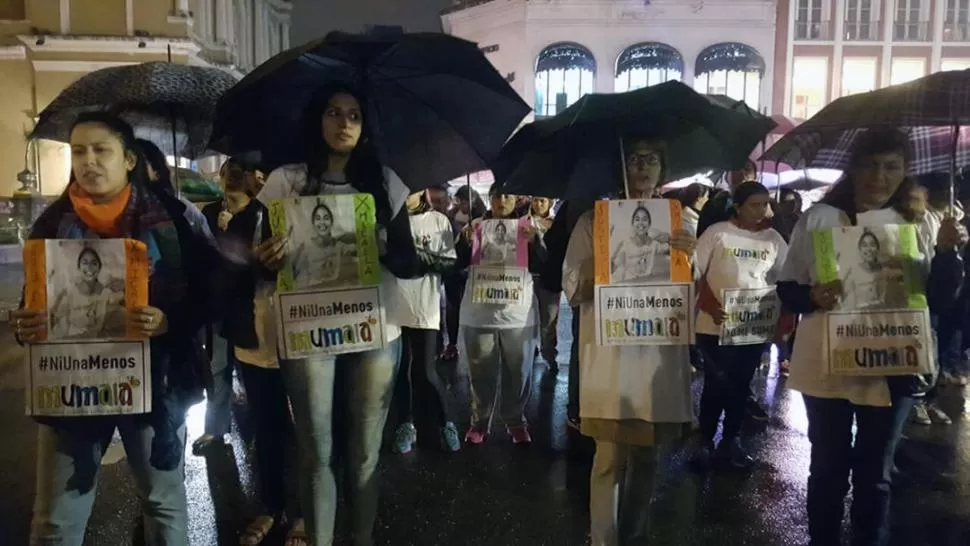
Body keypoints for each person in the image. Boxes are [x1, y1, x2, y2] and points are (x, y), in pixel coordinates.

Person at [13, 111, 218, 545]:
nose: (88, 161)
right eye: (79, 151)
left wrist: (166, 321)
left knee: (163, 504)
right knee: (55, 520)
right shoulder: (51, 224)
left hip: (156, 385)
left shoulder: (174, 219)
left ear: (128, 160)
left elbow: (208, 298)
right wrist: (26, 325)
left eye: (100, 150)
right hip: (71, 386)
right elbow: (29, 304)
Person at [253, 84, 430, 546]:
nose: (344, 123)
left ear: (366, 125)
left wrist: (387, 246)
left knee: (365, 454)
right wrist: (263, 257)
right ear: (318, 119)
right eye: (334, 112)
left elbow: (409, 263)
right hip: (307, 328)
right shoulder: (285, 182)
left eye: (354, 114)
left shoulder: (386, 182)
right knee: (316, 451)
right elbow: (247, 253)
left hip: (375, 329)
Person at [776, 128, 966, 546]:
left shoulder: (919, 223)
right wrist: (811, 295)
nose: (879, 176)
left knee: (875, 475)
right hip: (825, 364)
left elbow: (939, 300)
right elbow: (787, 286)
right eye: (870, 165)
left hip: (892, 365)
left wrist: (950, 252)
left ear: (904, 172)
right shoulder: (819, 218)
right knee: (826, 468)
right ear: (854, 168)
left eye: (891, 167)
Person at [563, 137, 697, 545]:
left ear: (663, 169)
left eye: (651, 160)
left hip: (657, 356)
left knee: (647, 457)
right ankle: (602, 537)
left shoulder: (681, 223)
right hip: (610, 355)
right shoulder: (593, 221)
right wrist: (600, 263)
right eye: (634, 159)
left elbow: (693, 292)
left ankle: (633, 534)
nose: (642, 167)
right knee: (608, 457)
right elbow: (572, 285)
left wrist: (690, 257)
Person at [692, 181, 788, 469]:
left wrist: (778, 316)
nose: (763, 211)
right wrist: (708, 302)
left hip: (751, 328)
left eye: (765, 204)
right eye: (755, 205)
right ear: (738, 206)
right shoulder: (717, 233)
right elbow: (695, 269)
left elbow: (785, 277)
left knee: (740, 386)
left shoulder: (773, 239)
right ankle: (705, 440)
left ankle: (730, 441)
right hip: (713, 325)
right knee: (716, 383)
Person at [457, 185, 542, 445]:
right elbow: (456, 264)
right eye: (497, 195)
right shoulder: (476, 226)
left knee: (518, 373)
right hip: (478, 314)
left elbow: (544, 266)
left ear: (517, 198)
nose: (502, 200)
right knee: (480, 372)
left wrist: (535, 242)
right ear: (489, 199)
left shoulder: (528, 227)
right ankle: (479, 421)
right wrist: (464, 242)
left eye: (507, 195)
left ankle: (515, 420)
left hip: (517, 315)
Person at [391, 188, 460, 454]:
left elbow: (449, 262)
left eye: (414, 187)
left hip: (424, 305)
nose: (407, 192)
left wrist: (416, 257)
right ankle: (405, 424)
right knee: (400, 372)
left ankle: (447, 422)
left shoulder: (439, 221)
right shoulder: (389, 220)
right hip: (392, 305)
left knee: (425, 372)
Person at [49, 245, 126, 339]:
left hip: (91, 344)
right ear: (79, 267)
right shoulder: (69, 291)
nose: (89, 267)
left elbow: (97, 327)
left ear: (99, 268)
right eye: (85, 263)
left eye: (94, 263)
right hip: (69, 345)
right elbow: (55, 319)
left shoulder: (103, 293)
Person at [529, 196, 561, 372]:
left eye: (542, 201)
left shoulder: (557, 223)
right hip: (527, 277)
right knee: (528, 319)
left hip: (550, 279)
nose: (538, 204)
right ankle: (530, 349)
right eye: (535, 201)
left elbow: (552, 254)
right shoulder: (523, 221)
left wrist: (537, 239)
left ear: (550, 202)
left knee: (548, 322)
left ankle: (549, 355)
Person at [609, 203, 670, 283]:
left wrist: (669, 237)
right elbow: (611, 269)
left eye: (644, 219)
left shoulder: (654, 244)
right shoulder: (625, 244)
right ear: (633, 224)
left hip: (648, 287)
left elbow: (671, 250)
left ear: (649, 224)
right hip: (629, 288)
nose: (641, 223)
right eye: (637, 219)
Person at [697, 160, 757, 237]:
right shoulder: (715, 204)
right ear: (730, 175)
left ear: (755, 176)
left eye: (747, 169)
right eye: (737, 168)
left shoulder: (765, 208)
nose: (742, 173)